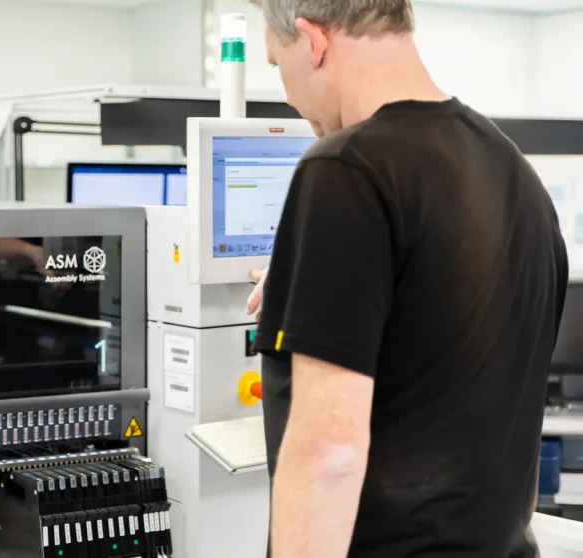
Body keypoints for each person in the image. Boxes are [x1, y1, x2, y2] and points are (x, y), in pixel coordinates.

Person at [243, 1, 568, 557]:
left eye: (278, 66)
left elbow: (330, 457)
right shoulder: (515, 172)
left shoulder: (344, 168)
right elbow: (441, 355)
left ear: (313, 41)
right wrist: (317, 282)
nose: (290, 97)